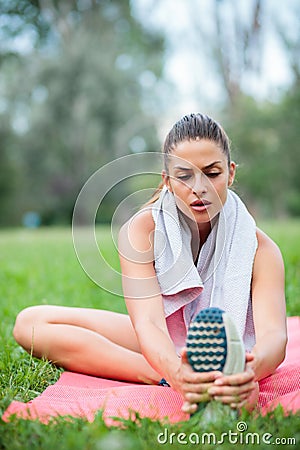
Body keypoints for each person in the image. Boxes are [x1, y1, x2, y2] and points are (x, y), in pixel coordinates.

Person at [13, 113, 287, 414]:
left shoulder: (261, 250)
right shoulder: (141, 231)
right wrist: (175, 372)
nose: (199, 187)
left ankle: (204, 378)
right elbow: (149, 323)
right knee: (30, 323)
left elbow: (274, 337)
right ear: (167, 180)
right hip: (165, 340)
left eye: (212, 173)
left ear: (230, 173)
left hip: (233, 350)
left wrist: (249, 371)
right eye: (184, 175)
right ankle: (163, 377)